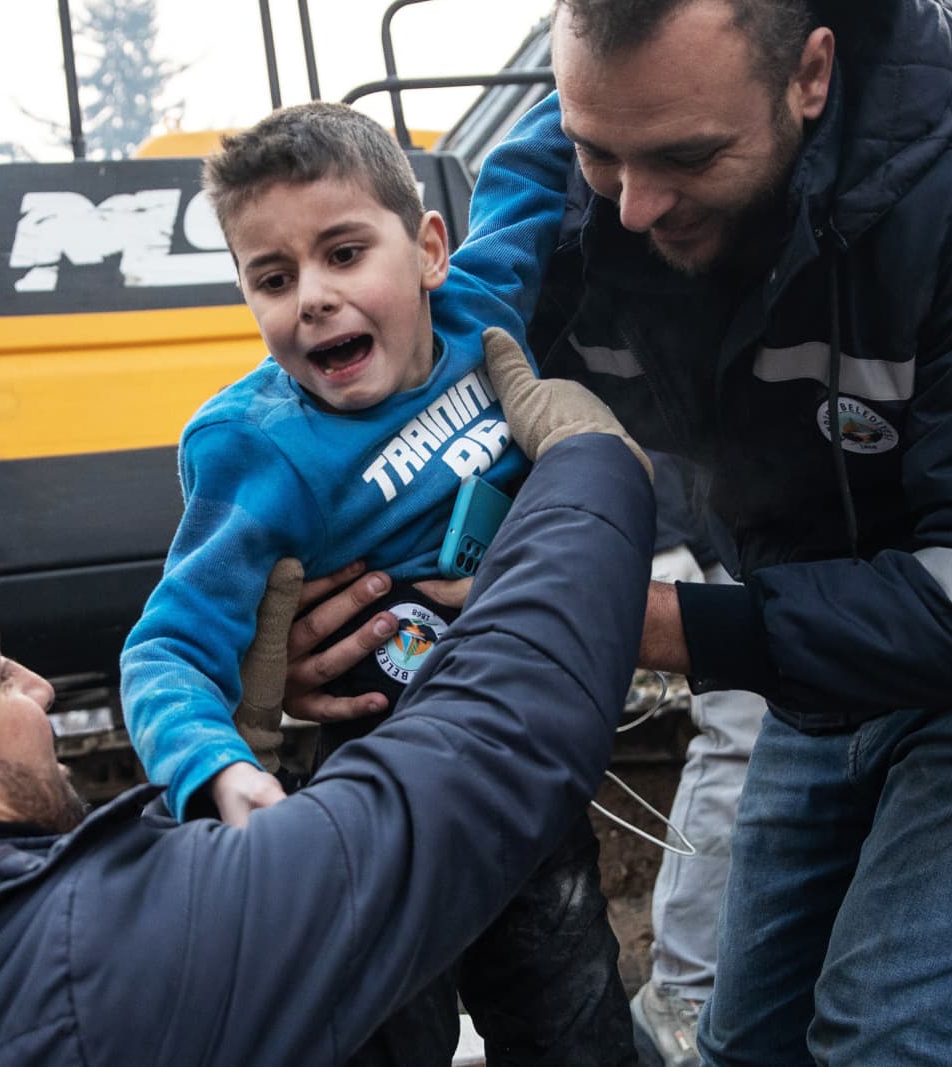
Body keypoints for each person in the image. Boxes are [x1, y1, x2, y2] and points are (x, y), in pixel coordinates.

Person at [458, 0, 952, 1062]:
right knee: (750, 1031)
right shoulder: (570, 182)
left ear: (809, 74)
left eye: (685, 157)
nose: (632, 205)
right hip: (815, 585)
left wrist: (633, 619)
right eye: (596, 153)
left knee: (894, 1030)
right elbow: (427, 389)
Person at [0, 395, 656, 1064]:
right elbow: (484, 760)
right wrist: (587, 474)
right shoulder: (99, 960)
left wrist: (242, 747)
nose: (35, 684)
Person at [118, 102, 635, 1064]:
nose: (310, 296)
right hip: (375, 812)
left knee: (576, 1027)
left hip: (522, 782)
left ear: (431, 249)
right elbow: (169, 647)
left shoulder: (479, 309)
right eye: (272, 278)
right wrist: (221, 768)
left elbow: (532, 165)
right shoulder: (251, 448)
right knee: (381, 1042)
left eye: (345, 254)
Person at [632, 455, 766, 1067]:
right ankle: (682, 990)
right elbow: (631, 374)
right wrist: (659, 526)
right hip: (710, 524)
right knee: (738, 742)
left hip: (795, 529)